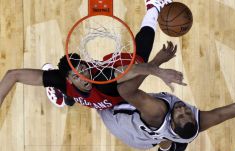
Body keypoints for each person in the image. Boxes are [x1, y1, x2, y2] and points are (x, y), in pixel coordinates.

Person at [98, 52, 235, 151]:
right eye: (188, 113)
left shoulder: (157, 112)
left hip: (118, 121)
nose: (182, 109)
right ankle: (167, 150)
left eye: (180, 115)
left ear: (171, 123)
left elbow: (125, 91)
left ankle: (72, 96)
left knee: (99, 85)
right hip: (151, 138)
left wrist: (155, 64)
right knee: (163, 137)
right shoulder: (195, 124)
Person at [39, 0, 174, 109]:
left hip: (107, 99)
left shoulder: (104, 79)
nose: (82, 74)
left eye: (82, 70)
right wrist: (157, 69)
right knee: (139, 59)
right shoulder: (109, 78)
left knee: (138, 60)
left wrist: (157, 69)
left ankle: (154, 8)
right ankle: (154, 8)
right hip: (106, 92)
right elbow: (136, 68)